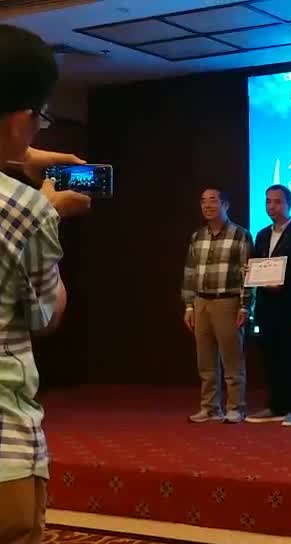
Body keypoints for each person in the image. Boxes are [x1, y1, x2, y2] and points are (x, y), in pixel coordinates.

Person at [0, 24, 92, 544]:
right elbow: (46, 315)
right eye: (40, 118)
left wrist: (20, 155)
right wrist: (49, 214)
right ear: (21, 120)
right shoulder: (26, 209)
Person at [181, 187, 253, 424]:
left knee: (232, 359)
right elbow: (190, 272)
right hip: (201, 301)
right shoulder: (197, 236)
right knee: (205, 360)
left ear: (225, 205)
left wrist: (245, 306)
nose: (207, 206)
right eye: (203, 201)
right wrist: (189, 306)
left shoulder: (240, 234)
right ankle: (210, 407)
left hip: (227, 301)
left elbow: (247, 273)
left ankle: (235, 407)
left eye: (213, 201)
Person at [247, 185, 291, 427]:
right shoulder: (262, 234)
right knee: (270, 357)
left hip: (290, 304)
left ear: (289, 204)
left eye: (277, 201)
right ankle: (275, 405)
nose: (272, 206)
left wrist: (284, 282)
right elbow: (257, 264)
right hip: (266, 306)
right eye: (268, 201)